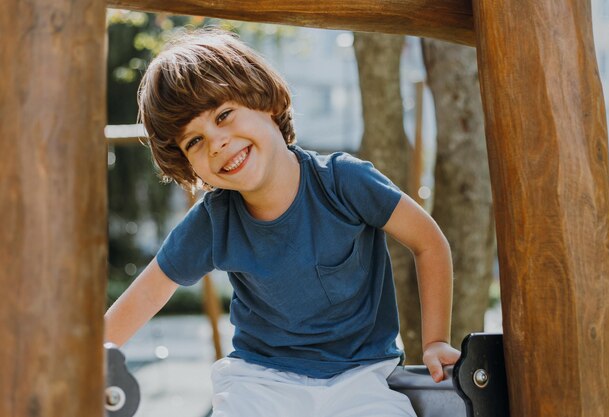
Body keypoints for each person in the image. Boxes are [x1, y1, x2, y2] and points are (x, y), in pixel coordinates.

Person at [105, 28, 460, 417]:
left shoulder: (344, 182)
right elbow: (146, 294)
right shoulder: (214, 221)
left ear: (266, 103)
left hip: (360, 376)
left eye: (224, 115)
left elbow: (429, 242)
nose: (216, 143)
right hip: (260, 381)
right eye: (194, 141)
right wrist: (87, 368)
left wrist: (435, 341)